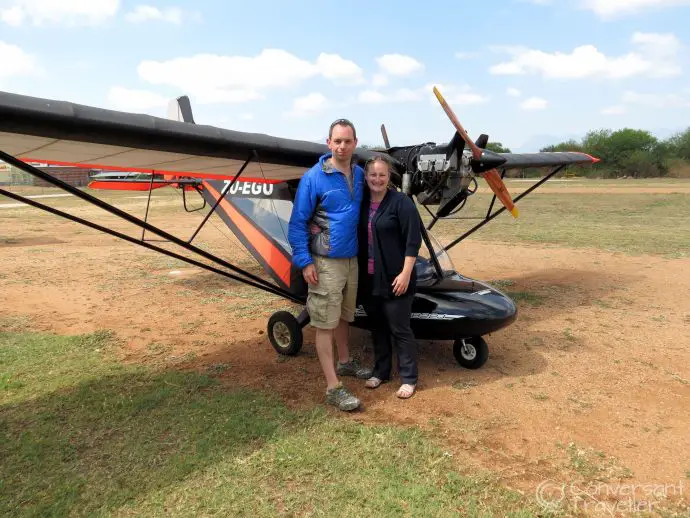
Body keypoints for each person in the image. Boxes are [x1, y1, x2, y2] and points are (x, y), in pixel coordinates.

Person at [287, 118, 372, 412]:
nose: (342, 146)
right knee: (323, 322)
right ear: (328, 143)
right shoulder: (314, 177)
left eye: (347, 141)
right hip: (325, 262)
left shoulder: (360, 175)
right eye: (337, 141)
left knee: (344, 316)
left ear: (355, 143)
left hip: (351, 259)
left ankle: (345, 362)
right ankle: (333, 386)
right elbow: (298, 223)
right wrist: (305, 261)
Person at [357, 155, 422, 399]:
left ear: (389, 177)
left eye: (382, 175)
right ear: (366, 177)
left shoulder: (401, 202)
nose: (377, 179)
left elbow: (412, 242)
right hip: (370, 277)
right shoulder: (362, 203)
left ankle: (409, 378)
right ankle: (381, 371)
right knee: (377, 327)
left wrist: (406, 274)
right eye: (372, 175)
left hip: (396, 278)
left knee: (400, 329)